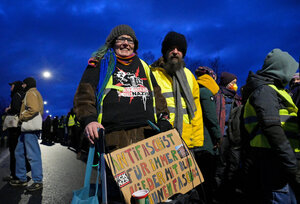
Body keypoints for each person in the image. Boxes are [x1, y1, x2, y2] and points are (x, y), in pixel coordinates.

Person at [73, 24, 170, 202]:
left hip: (146, 137)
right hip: (115, 139)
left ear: (135, 44)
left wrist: (164, 118)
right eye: (121, 39)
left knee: (146, 192)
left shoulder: (144, 66)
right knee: (118, 192)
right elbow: (83, 96)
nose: (125, 43)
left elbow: (157, 96)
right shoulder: (99, 63)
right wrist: (89, 120)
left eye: (129, 40)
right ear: (112, 42)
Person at [242, 48, 300, 203]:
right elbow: (272, 127)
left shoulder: (274, 89)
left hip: (279, 161)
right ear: (281, 70)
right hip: (275, 163)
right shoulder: (265, 90)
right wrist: (292, 164)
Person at [10, 77, 44, 191]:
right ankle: (21, 178)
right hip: (26, 130)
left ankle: (38, 180)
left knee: (32, 155)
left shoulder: (31, 93)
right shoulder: (35, 93)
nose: (23, 86)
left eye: (24, 84)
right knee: (19, 152)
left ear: (28, 84)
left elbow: (34, 109)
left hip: (29, 129)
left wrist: (21, 117)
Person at [194, 66, 221, 204]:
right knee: (207, 177)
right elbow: (211, 117)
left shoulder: (196, 89)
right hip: (206, 141)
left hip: (197, 139)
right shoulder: (205, 92)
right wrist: (218, 136)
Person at [214, 71, 242, 202]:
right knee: (221, 165)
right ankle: (218, 193)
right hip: (222, 135)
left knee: (234, 164)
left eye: (236, 83)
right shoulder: (218, 97)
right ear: (227, 83)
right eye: (233, 83)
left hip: (234, 136)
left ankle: (230, 191)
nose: (235, 85)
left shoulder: (237, 99)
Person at [2, 81, 30, 182]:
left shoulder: (16, 96)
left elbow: (17, 110)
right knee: (19, 151)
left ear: (16, 86)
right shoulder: (23, 95)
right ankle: (18, 173)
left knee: (14, 151)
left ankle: (15, 175)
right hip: (21, 127)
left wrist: (8, 110)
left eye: (12, 86)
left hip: (15, 128)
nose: (11, 88)